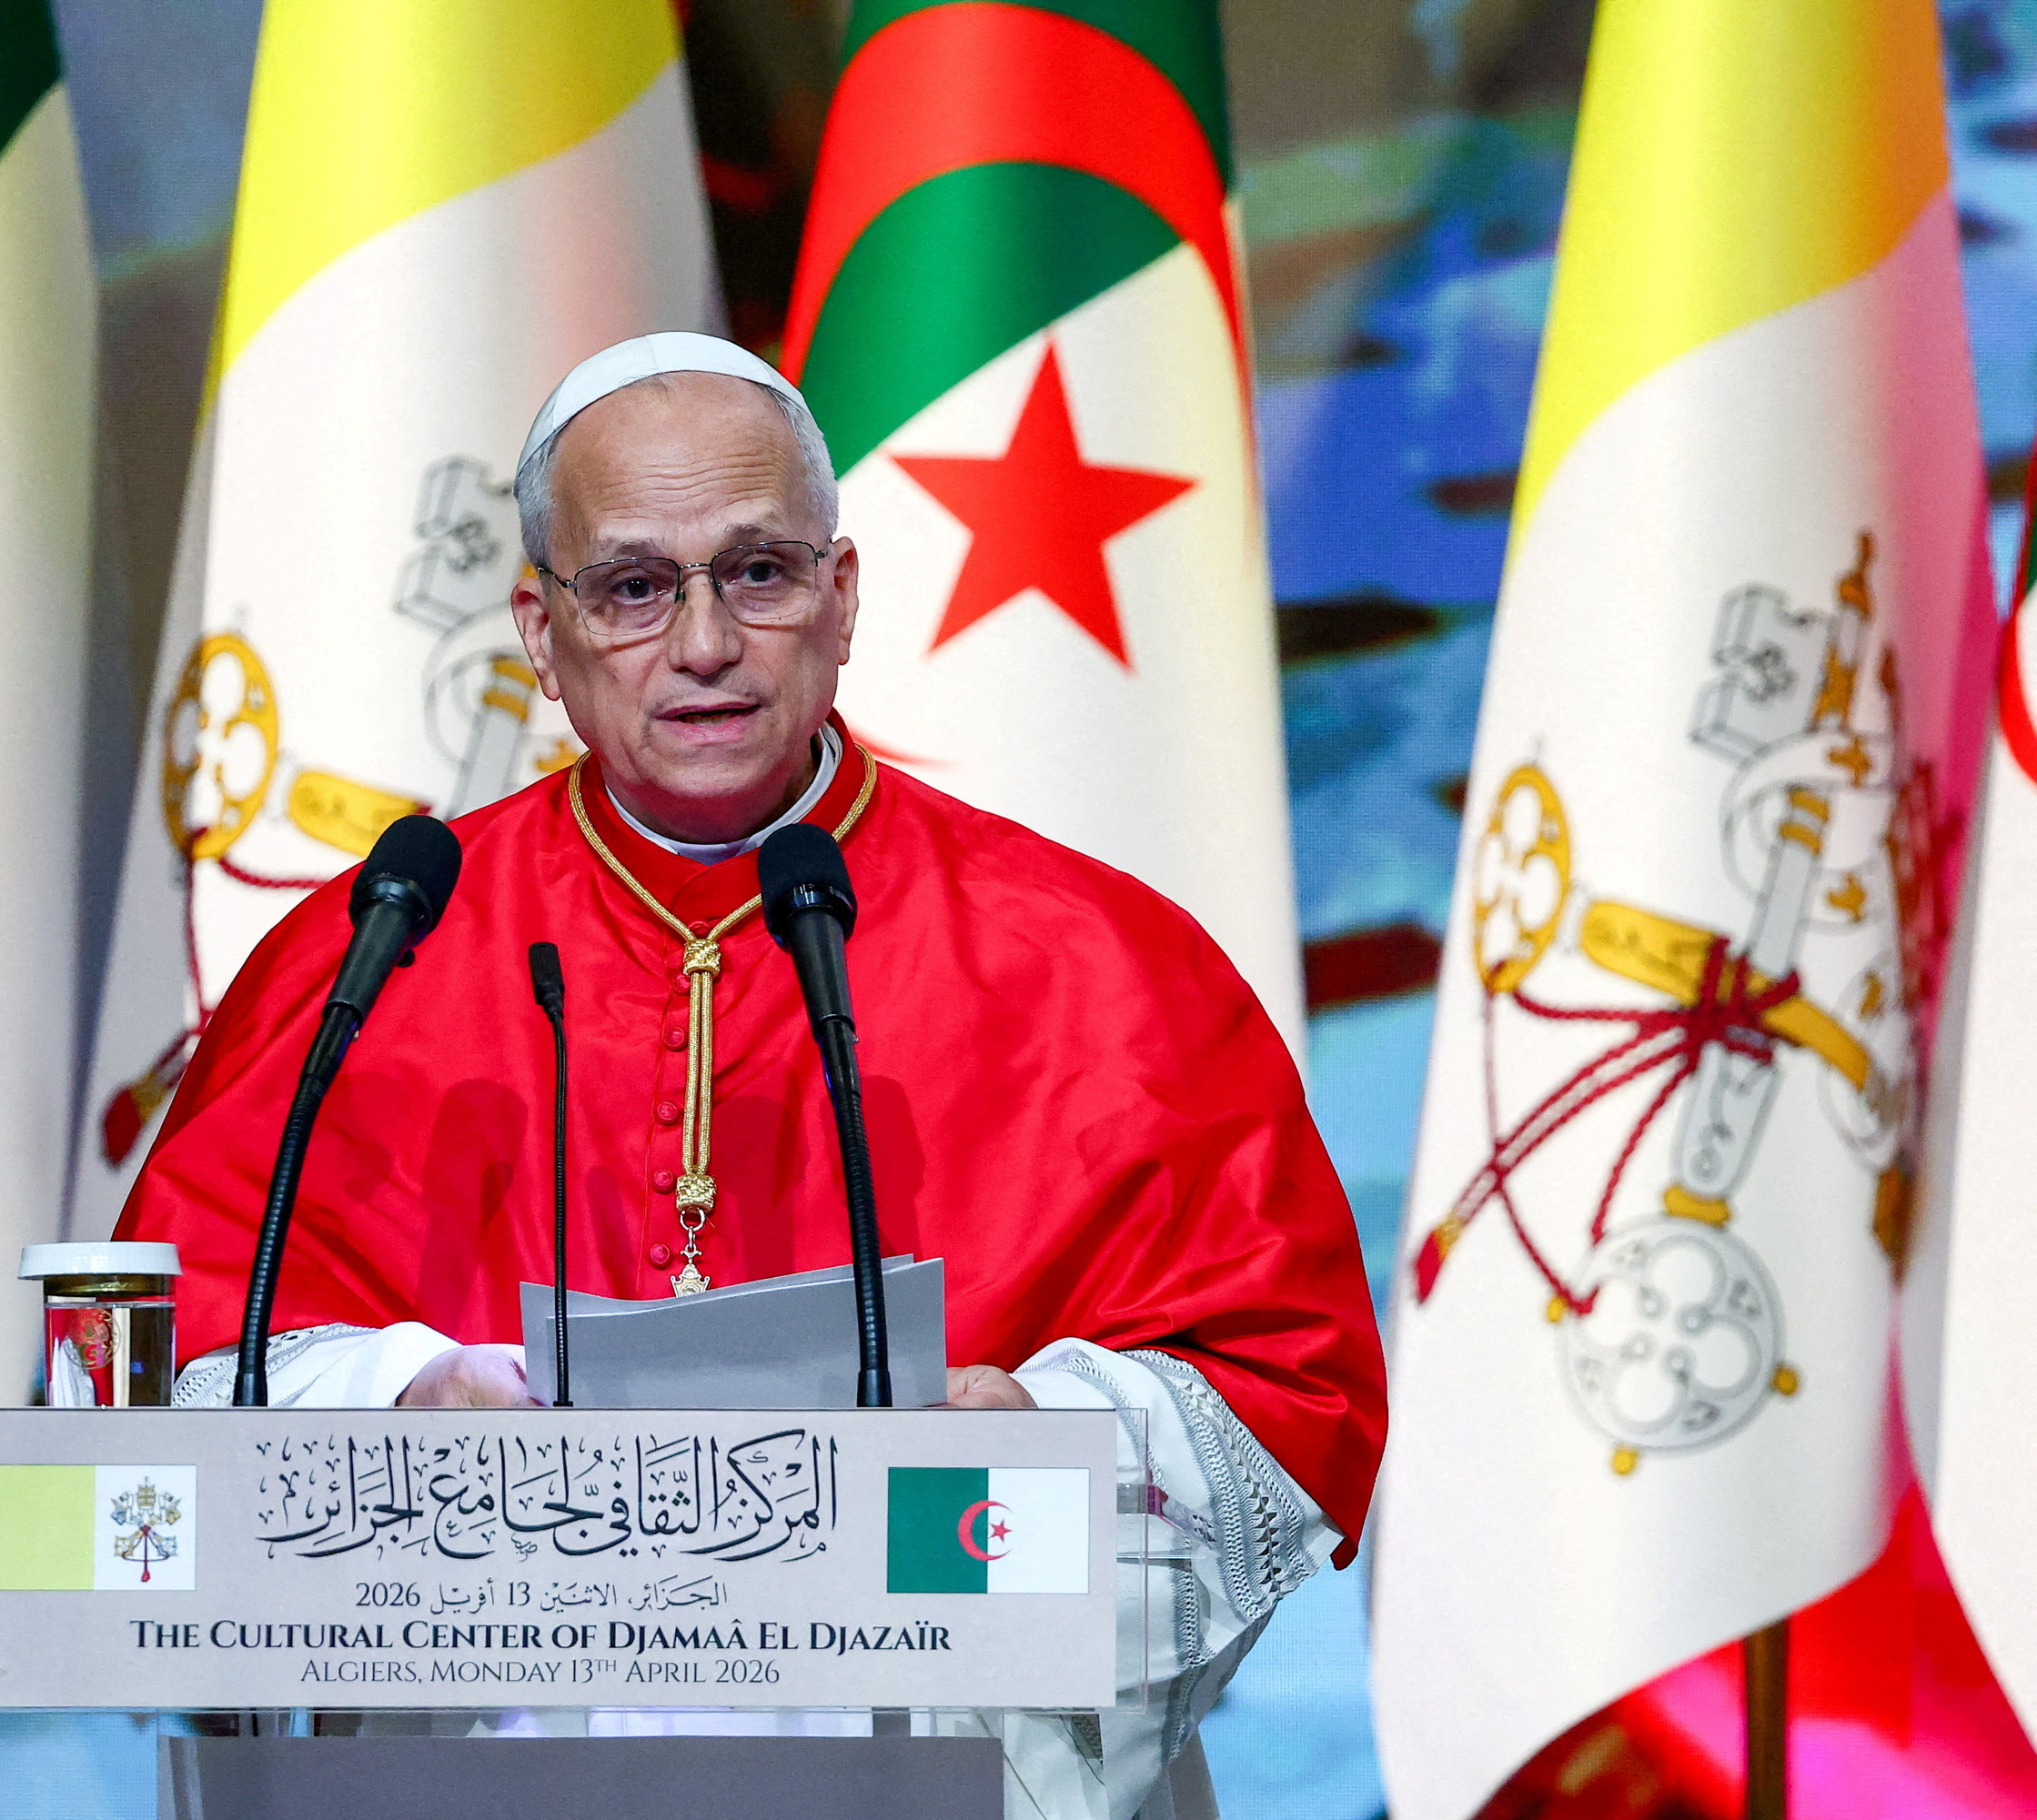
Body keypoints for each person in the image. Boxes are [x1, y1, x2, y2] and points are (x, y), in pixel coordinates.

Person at [117, 332, 1386, 1816]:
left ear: (841, 600)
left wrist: (1045, 1445)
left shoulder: (1096, 959)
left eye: (759, 572)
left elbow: (1282, 1389)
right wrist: (397, 1399)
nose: (705, 642)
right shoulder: (374, 954)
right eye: (633, 586)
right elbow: (161, 1386)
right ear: (540, 628)